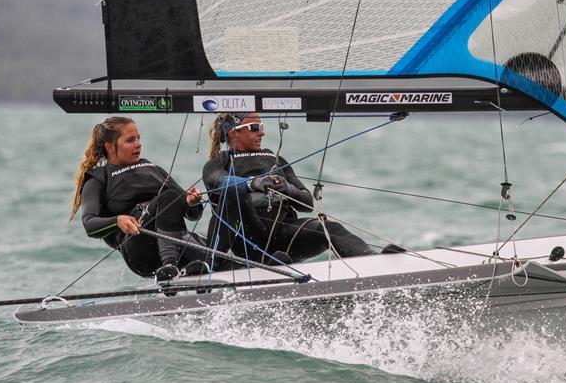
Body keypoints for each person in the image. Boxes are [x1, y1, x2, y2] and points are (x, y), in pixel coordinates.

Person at [202, 112, 375, 264]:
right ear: (233, 132)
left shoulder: (277, 161)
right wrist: (253, 183)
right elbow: (219, 182)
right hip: (247, 240)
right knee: (232, 192)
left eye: (261, 126)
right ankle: (210, 264)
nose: (261, 132)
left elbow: (307, 204)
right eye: (254, 127)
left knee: (331, 229)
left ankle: (372, 261)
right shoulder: (219, 162)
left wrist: (288, 188)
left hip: (283, 237)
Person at [70, 116, 209, 280]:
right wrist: (117, 221)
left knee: (218, 258)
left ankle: (189, 273)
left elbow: (193, 215)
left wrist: (192, 203)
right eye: (130, 140)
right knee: (170, 196)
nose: (138, 144)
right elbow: (89, 224)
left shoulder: (153, 169)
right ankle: (170, 268)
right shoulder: (98, 179)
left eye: (138, 138)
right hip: (139, 249)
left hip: (176, 241)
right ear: (110, 148)